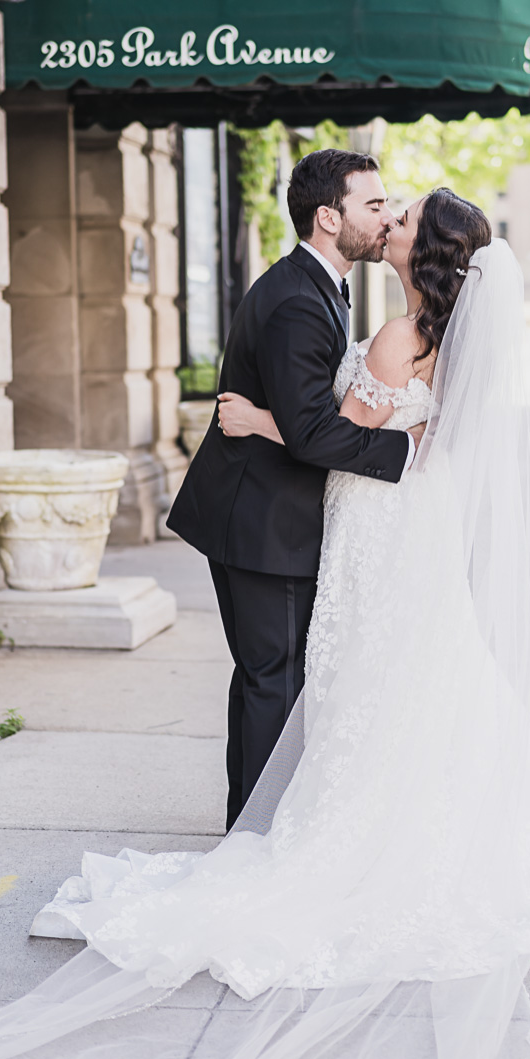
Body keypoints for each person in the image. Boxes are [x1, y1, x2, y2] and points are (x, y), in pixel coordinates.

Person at [0, 188, 530, 1059]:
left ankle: (347, 825)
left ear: (425, 251)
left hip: (378, 528)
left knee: (370, 681)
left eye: (404, 215)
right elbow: (401, 437)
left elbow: (343, 442)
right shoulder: (436, 333)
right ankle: (426, 810)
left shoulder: (394, 335)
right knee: (413, 679)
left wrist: (256, 424)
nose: (392, 220)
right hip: (405, 529)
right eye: (383, 206)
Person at [166, 149, 423, 830]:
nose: (388, 213)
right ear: (327, 217)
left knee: (267, 678)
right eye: (373, 205)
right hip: (263, 523)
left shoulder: (319, 288)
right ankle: (253, 844)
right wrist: (409, 449)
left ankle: (250, 831)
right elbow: (312, 434)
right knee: (273, 683)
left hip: (273, 515)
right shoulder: (295, 304)